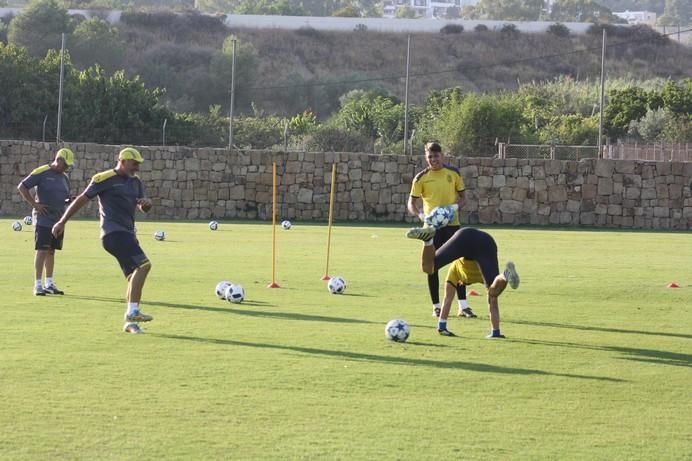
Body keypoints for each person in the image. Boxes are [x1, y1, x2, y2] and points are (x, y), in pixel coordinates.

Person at [52, 147, 154, 334]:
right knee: (144, 265)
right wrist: (62, 221)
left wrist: (145, 205)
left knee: (133, 277)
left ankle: (130, 322)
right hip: (113, 233)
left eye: (139, 164)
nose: (137, 167)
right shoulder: (103, 179)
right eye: (134, 163)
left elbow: (141, 206)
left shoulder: (136, 182)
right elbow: (81, 199)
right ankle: (133, 312)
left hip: (128, 234)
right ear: (122, 161)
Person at [406, 226, 520, 339]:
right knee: (493, 293)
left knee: (428, 268)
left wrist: (442, 326)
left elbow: (447, 299)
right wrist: (496, 332)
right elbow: (493, 303)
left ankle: (428, 240)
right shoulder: (477, 273)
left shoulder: (455, 271)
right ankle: (505, 275)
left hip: (464, 236)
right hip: (486, 241)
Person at [407, 142, 474, 319]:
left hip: (452, 226)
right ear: (426, 157)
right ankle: (437, 306)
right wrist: (421, 215)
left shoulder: (453, 174)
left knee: (458, 263)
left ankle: (463, 306)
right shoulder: (421, 177)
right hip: (431, 229)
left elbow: (464, 198)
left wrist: (454, 208)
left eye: (436, 156)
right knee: (432, 266)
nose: (433, 159)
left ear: (442, 156)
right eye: (430, 156)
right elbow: (411, 203)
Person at [17, 148, 75, 296]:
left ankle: (49, 283)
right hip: (43, 219)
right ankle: (37, 285)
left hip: (58, 220)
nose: (67, 167)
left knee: (51, 251)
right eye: (66, 164)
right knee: (42, 250)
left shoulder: (65, 178)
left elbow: (65, 197)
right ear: (59, 160)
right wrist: (35, 205)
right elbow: (22, 186)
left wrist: (70, 201)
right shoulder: (42, 172)